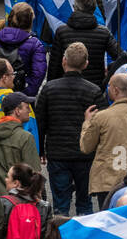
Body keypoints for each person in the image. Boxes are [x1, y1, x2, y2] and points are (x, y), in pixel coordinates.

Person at [34, 42, 101, 217]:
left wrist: (40, 149)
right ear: (86, 64)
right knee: (85, 203)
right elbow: (102, 123)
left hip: (57, 153)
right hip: (85, 155)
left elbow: (40, 122)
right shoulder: (93, 91)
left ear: (64, 61)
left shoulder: (49, 89)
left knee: (60, 205)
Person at [79, 73, 127, 208]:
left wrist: (87, 123)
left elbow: (86, 147)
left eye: (109, 86)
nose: (108, 88)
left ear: (115, 90)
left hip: (106, 180)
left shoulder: (101, 117)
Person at [0, 93, 42, 239]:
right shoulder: (25, 138)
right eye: (26, 107)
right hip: (17, 206)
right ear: (17, 110)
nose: (29, 111)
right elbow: (34, 176)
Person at [47, 0, 119, 84]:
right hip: (95, 87)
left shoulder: (62, 32)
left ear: (74, 8)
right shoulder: (103, 33)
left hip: (66, 87)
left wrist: (51, 88)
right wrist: (109, 72)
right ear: (93, 9)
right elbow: (120, 57)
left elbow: (54, 65)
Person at [0, 3, 47, 97]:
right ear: (30, 21)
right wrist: (25, 95)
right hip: (22, 97)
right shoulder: (36, 44)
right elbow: (38, 74)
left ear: (10, 19)